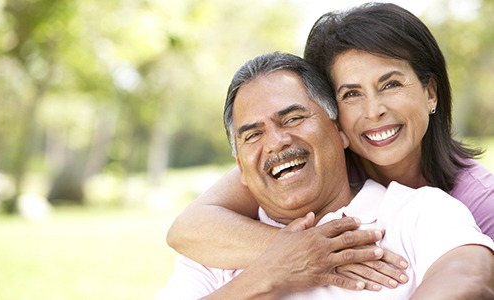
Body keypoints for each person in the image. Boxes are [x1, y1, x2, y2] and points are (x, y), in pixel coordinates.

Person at [166, 2, 494, 290]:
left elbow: (471, 274)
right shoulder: (303, 163)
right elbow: (188, 228)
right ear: (333, 117)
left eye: (391, 84)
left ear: (430, 93)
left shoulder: (469, 201)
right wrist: (304, 253)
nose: (373, 110)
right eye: (351, 93)